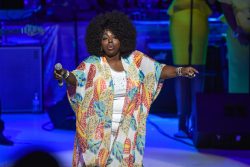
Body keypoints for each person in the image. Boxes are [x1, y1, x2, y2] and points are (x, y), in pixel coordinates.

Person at [54, 11, 198, 167]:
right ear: (99, 42)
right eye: (105, 39)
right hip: (98, 131)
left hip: (126, 129)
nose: (110, 42)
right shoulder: (92, 63)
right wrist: (65, 74)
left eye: (114, 37)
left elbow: (157, 70)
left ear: (122, 39)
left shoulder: (135, 60)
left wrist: (180, 71)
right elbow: (77, 78)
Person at [167, 0, 215, 138]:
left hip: (199, 16)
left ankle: (197, 121)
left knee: (197, 71)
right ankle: (182, 124)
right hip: (178, 19)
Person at [218, 0, 250, 93]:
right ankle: (239, 105)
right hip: (237, 32)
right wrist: (237, 31)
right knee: (239, 76)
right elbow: (226, 6)